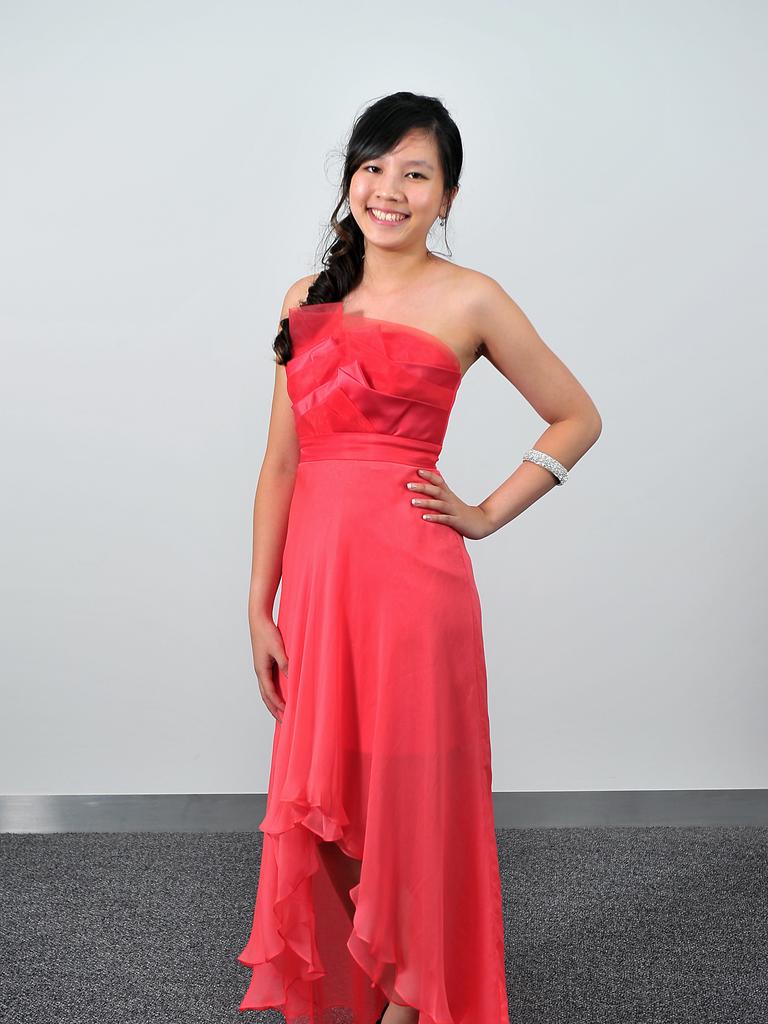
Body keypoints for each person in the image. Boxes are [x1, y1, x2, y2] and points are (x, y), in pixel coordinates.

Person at [237, 91, 602, 1024]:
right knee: (336, 803)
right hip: (318, 588)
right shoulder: (306, 298)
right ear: (350, 178)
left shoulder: (471, 296)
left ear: (446, 195)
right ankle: (379, 982)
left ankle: (416, 997)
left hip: (412, 584)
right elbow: (280, 461)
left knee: (413, 792)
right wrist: (256, 603)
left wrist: (483, 512)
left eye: (415, 173)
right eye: (373, 167)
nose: (388, 189)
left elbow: (578, 415)